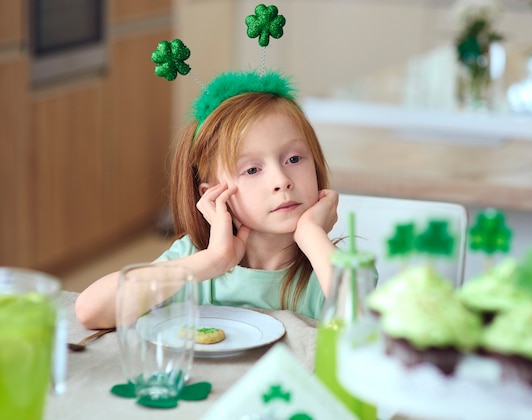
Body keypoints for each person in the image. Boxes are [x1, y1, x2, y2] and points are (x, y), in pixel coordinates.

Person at [75, 70, 339, 329]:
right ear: (212, 195)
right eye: (252, 170)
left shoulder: (330, 264)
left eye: (293, 159)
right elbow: (91, 311)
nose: (281, 180)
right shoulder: (195, 259)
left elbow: (368, 333)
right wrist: (214, 261)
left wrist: (312, 235)